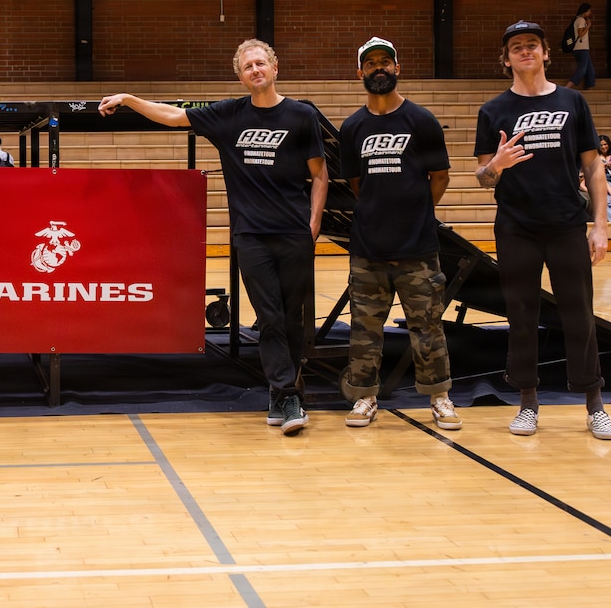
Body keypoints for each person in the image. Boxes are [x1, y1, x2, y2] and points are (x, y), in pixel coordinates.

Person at [99, 39, 328, 435]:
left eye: (260, 63)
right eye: (247, 67)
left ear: (275, 68)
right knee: (270, 316)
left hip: (294, 234)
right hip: (251, 235)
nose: (255, 70)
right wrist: (131, 98)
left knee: (292, 319)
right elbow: (173, 116)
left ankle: (280, 393)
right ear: (240, 77)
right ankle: (287, 394)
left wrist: (313, 224)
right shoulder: (228, 115)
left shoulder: (301, 115)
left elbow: (320, 173)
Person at [473, 20, 611, 440]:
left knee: (578, 314)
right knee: (521, 315)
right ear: (506, 59)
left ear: (545, 53)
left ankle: (594, 404)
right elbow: (483, 176)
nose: (525, 51)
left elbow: (593, 165)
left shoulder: (573, 101)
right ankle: (527, 403)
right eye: (516, 46)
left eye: (532, 45)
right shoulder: (493, 110)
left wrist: (600, 225)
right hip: (516, 226)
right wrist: (496, 166)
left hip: (567, 224)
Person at [338, 37, 461, 430]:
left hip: (418, 247)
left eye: (385, 62)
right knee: (364, 329)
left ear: (397, 68)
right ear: (360, 72)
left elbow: (439, 176)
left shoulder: (421, 120)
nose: (378, 68)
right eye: (370, 62)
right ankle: (364, 398)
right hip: (368, 247)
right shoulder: (353, 126)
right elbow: (357, 184)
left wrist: (417, 212)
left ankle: (440, 397)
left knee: (427, 327)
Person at [565, 3, 595, 90]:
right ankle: (569, 86)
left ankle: (589, 85)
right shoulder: (581, 20)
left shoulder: (578, 20)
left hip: (582, 48)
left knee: (589, 68)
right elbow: (581, 34)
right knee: (582, 69)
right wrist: (588, 26)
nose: (590, 12)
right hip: (581, 48)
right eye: (589, 10)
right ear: (585, 11)